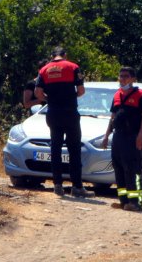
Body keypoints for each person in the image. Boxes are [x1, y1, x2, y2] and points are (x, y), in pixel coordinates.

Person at [35, 46, 87, 197]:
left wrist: (50, 99)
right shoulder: (73, 67)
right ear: (65, 55)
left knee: (55, 149)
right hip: (70, 113)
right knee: (74, 149)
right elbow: (81, 90)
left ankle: (57, 185)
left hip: (53, 113)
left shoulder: (44, 70)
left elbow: (38, 93)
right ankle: (77, 186)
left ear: (52, 56)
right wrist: (70, 98)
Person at [103, 66, 142, 211]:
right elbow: (113, 117)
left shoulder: (140, 95)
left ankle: (136, 202)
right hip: (118, 136)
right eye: (121, 76)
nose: (122, 79)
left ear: (133, 79)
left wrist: (141, 135)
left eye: (126, 76)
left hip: (132, 137)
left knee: (133, 170)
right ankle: (123, 201)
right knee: (119, 168)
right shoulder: (117, 95)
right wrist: (106, 136)